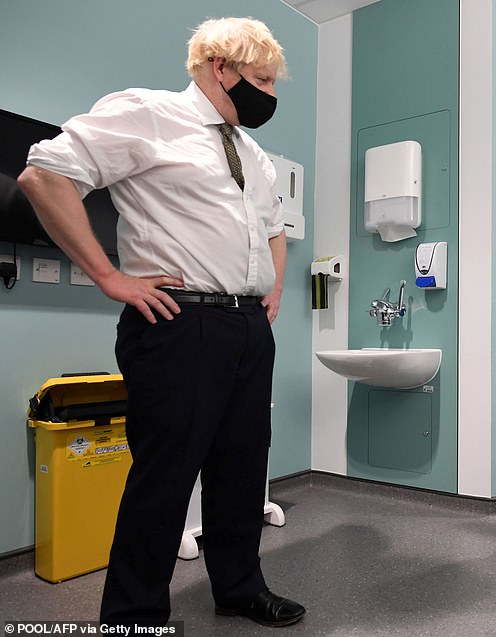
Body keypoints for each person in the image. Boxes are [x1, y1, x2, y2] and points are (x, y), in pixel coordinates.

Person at [17, 17, 305, 629]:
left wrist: (272, 290)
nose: (270, 96)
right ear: (218, 67)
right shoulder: (148, 114)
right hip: (180, 324)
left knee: (242, 469)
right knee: (164, 479)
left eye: (274, 83)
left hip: (248, 331)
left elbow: (275, 228)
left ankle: (239, 586)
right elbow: (43, 175)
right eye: (260, 80)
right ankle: (134, 613)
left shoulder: (253, 155)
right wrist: (108, 276)